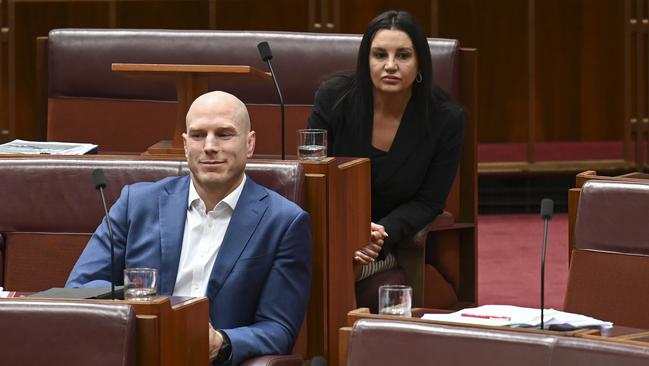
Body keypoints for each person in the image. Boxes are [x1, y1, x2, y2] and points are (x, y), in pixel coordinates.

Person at [67, 91, 312, 365]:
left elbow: (279, 328)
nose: (209, 146)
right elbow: (80, 287)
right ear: (185, 145)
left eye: (224, 134)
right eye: (197, 135)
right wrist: (142, 307)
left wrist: (222, 342)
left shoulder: (284, 222)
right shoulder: (136, 204)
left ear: (249, 143)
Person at [307, 10, 464, 301]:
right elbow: (313, 174)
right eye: (380, 55)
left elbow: (429, 201)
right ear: (366, 61)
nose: (390, 65)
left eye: (403, 55)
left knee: (338, 267)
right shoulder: (334, 99)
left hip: (385, 239)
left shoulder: (445, 119)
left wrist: (381, 234)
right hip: (332, 228)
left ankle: (333, 344)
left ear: (419, 64)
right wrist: (347, 230)